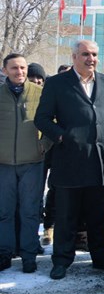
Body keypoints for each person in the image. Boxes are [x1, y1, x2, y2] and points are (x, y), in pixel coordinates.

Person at [34, 40, 104, 279]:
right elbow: (42, 119)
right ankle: (61, 260)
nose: (91, 59)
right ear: (74, 56)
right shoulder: (56, 83)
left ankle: (101, 258)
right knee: (66, 215)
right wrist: (63, 136)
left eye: (94, 54)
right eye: (85, 54)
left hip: (100, 162)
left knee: (98, 214)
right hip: (69, 161)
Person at [0, 54, 50, 273]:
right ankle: (4, 253)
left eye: (22, 68)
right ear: (4, 70)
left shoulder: (40, 93)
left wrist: (45, 144)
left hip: (32, 162)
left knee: (30, 211)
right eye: (14, 68)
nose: (19, 72)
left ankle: (29, 255)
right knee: (4, 211)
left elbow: (53, 121)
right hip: (3, 164)